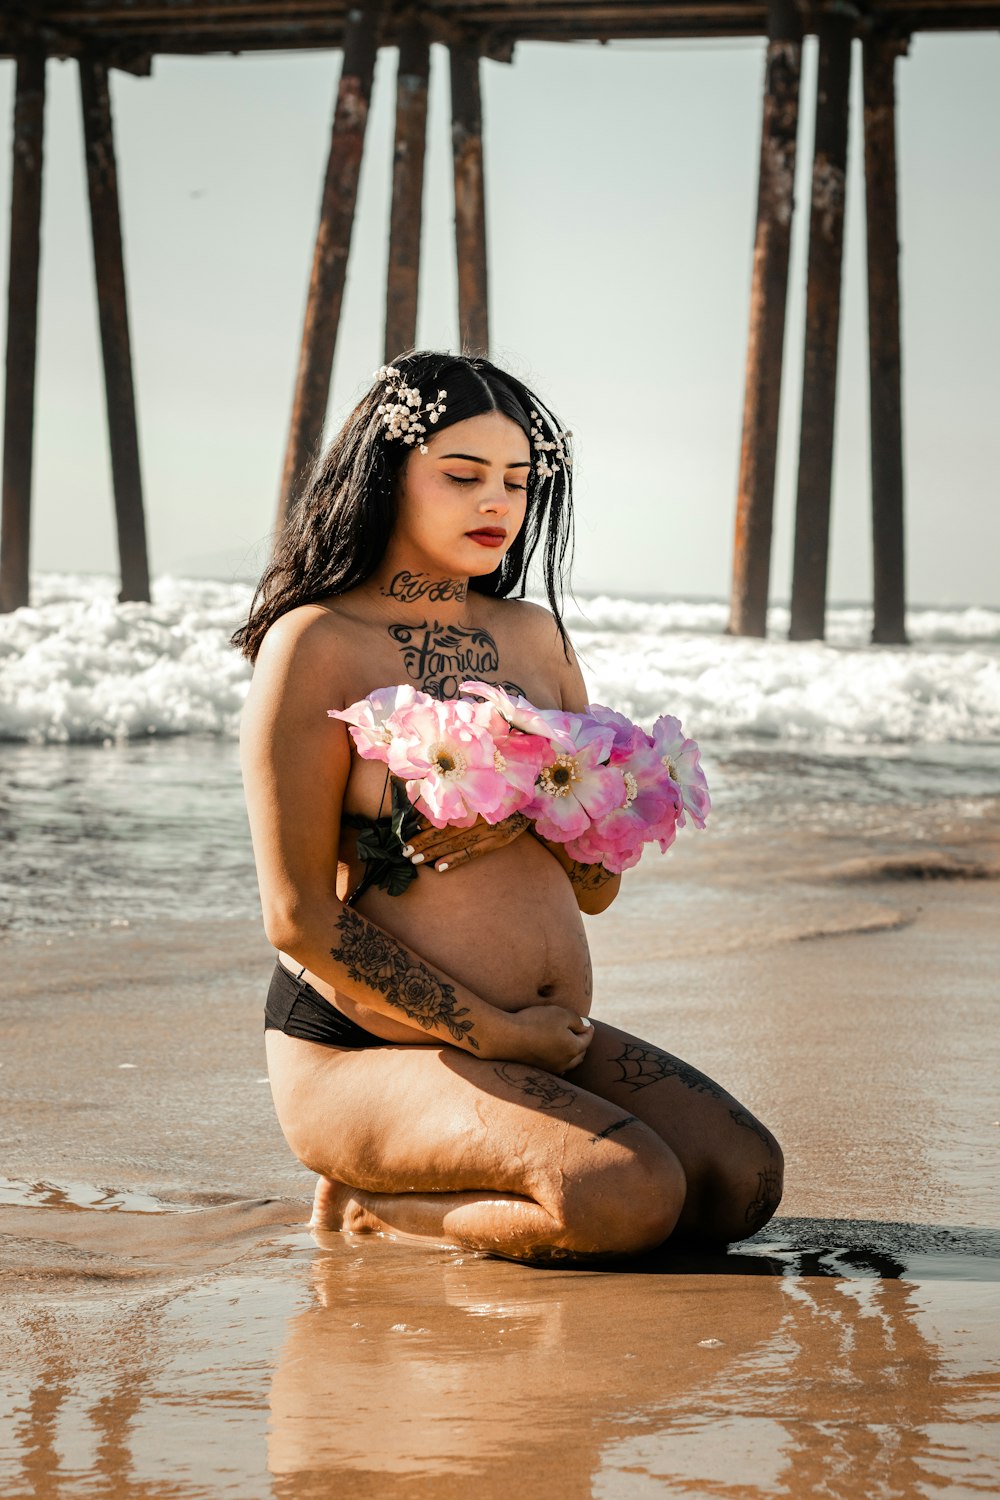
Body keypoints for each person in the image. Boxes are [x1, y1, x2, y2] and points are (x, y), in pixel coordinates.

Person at [234, 352, 783, 1264]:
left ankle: (495, 1168)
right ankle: (376, 1206)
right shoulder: (317, 644)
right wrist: (492, 1030)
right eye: (462, 475)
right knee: (628, 1194)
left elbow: (595, 889)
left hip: (537, 1040)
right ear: (385, 477)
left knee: (742, 1179)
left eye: (518, 482)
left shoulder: (534, 638)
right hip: (363, 1053)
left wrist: (535, 814)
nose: (497, 503)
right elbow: (296, 916)